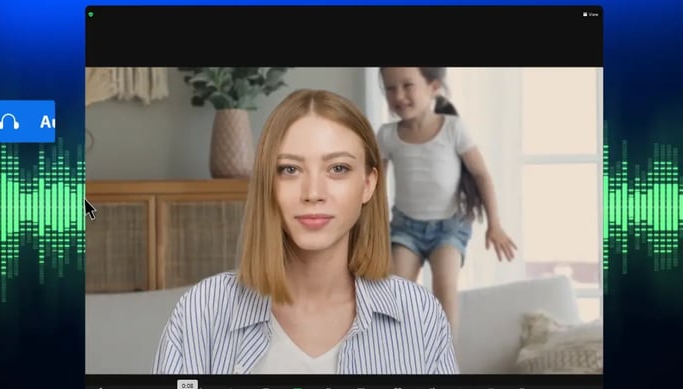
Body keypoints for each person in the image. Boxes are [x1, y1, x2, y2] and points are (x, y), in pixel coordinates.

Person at [153, 89, 459, 374]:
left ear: (368, 184)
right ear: (268, 185)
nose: (313, 193)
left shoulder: (420, 315)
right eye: (290, 169)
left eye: (338, 168)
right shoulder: (201, 311)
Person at [377, 67, 517, 342]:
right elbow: (373, 186)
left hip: (449, 229)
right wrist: (373, 228)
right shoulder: (387, 134)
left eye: (407, 85)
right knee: (397, 288)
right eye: (390, 88)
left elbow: (481, 175)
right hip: (405, 228)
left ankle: (444, 359)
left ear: (433, 86)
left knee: (445, 286)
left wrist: (495, 224)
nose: (399, 95)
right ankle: (401, 353)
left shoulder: (452, 128)